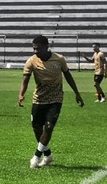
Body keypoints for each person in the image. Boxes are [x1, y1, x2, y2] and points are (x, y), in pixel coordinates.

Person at [18, 35, 84, 169]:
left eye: (38, 48)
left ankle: (35, 158)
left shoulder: (59, 59)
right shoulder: (31, 61)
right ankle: (48, 155)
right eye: (34, 48)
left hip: (55, 99)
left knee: (48, 127)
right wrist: (21, 94)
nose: (35, 51)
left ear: (46, 47)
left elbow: (68, 75)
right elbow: (25, 79)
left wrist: (77, 93)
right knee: (37, 129)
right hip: (39, 99)